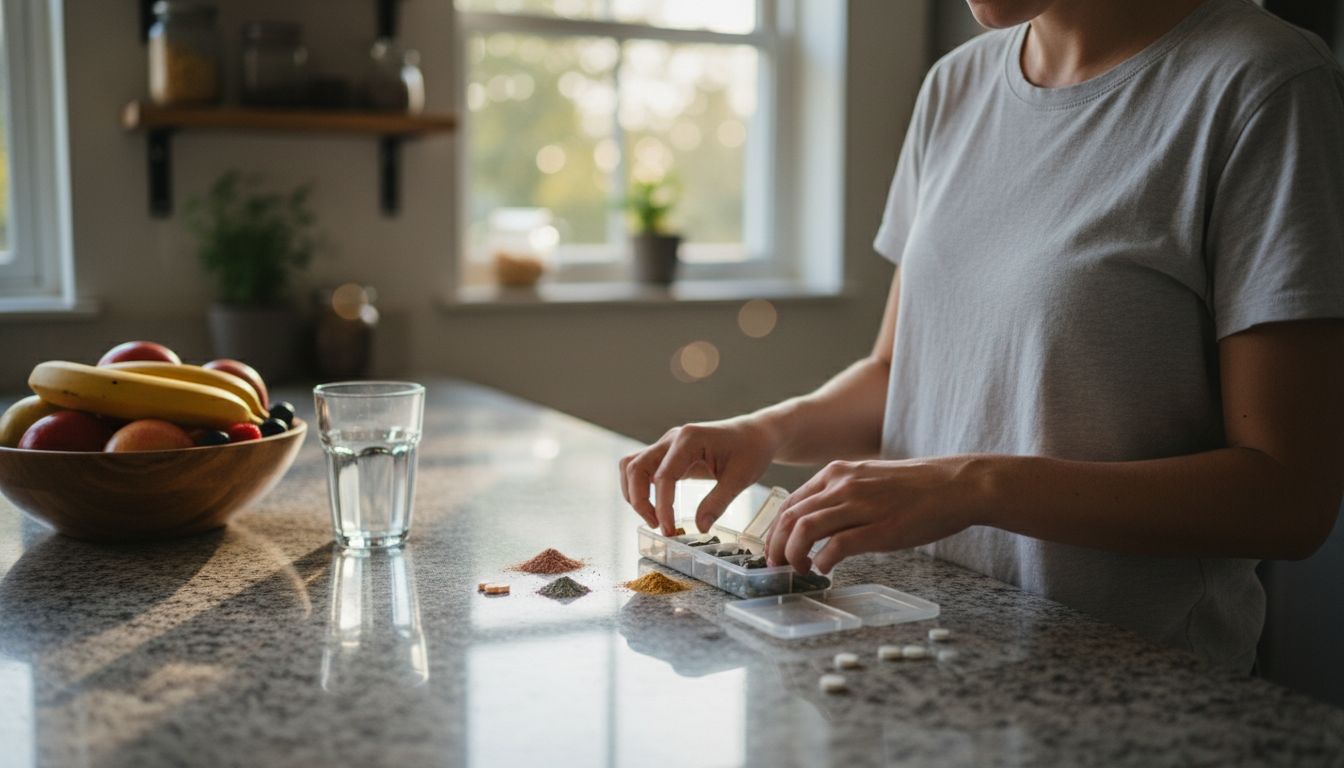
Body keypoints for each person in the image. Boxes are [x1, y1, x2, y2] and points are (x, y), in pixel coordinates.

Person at [619, 0, 1344, 672]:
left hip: (1128, 686)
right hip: (915, 658)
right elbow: (899, 373)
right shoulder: (955, 86)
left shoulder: (1263, 84)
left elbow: (1289, 498)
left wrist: (976, 485)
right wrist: (764, 432)